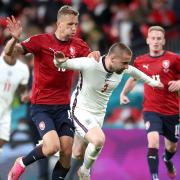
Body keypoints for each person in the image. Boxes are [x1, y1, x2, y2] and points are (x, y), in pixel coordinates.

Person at [6, 5, 99, 180]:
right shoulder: (40, 41)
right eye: (70, 24)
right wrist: (13, 40)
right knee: (51, 147)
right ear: (59, 24)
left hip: (63, 108)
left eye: (76, 24)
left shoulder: (78, 45)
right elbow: (12, 52)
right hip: (41, 107)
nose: (74, 28)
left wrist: (94, 55)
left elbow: (90, 59)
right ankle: (21, 163)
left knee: (66, 154)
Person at [53, 42, 163, 180]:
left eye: (127, 63)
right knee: (99, 140)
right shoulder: (91, 63)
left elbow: (135, 72)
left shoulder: (122, 68)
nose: (126, 66)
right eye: (124, 62)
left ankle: (55, 151)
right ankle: (84, 172)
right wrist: (58, 60)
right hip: (80, 110)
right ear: (112, 58)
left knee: (78, 153)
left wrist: (153, 83)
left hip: (99, 114)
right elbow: (63, 64)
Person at [120, 26, 180, 180]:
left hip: (172, 110)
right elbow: (133, 79)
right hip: (151, 109)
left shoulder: (174, 58)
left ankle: (167, 159)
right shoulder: (140, 61)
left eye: (159, 38)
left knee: (171, 146)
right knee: (153, 142)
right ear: (147, 40)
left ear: (164, 41)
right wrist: (123, 93)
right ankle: (155, 177)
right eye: (153, 38)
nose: (156, 41)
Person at [0, 42, 29, 155]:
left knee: (3, 141)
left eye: (15, 51)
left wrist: (24, 95)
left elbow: (22, 88)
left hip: (9, 109)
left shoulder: (23, 69)